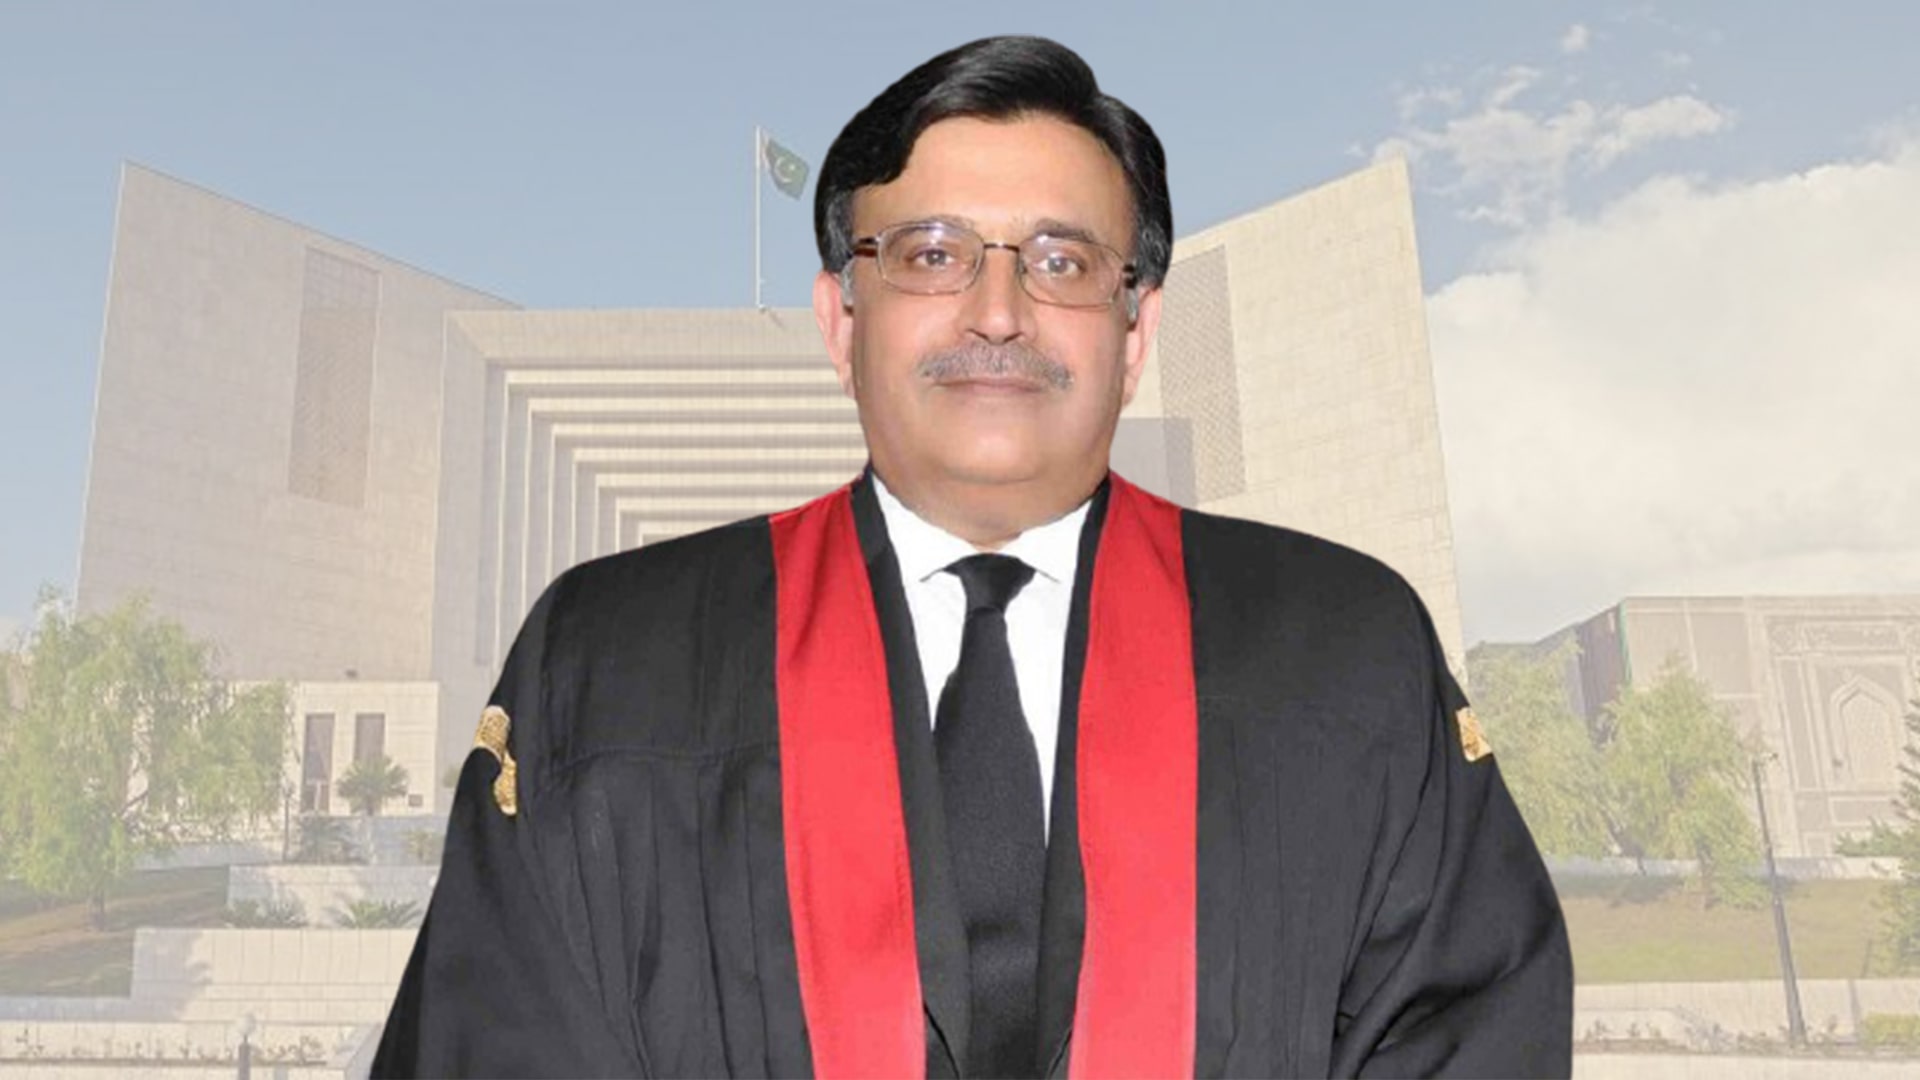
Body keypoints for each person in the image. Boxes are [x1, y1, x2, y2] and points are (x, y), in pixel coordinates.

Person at [373, 34, 1572, 1079]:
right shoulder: (612, 661)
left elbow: (1464, 1033)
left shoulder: (1344, 653)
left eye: (1061, 261)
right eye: (933, 254)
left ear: (1136, 331)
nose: (998, 313)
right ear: (843, 319)